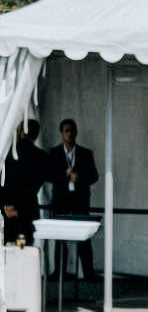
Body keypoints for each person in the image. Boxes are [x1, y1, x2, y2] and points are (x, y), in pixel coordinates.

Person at [49, 118, 99, 281]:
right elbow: (47, 175)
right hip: (61, 200)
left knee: (84, 238)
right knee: (59, 238)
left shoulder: (86, 153)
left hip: (80, 200)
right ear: (61, 134)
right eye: (66, 131)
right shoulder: (54, 153)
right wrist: (65, 175)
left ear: (76, 132)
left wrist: (79, 177)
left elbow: (94, 176)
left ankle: (88, 273)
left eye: (72, 130)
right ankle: (59, 273)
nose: (69, 134)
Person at [0, 119, 49, 245]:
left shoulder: (6, 153)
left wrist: (5, 206)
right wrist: (18, 206)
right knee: (24, 249)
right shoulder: (42, 156)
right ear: (36, 134)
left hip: (7, 211)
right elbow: (34, 187)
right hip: (27, 210)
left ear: (21, 131)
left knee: (7, 250)